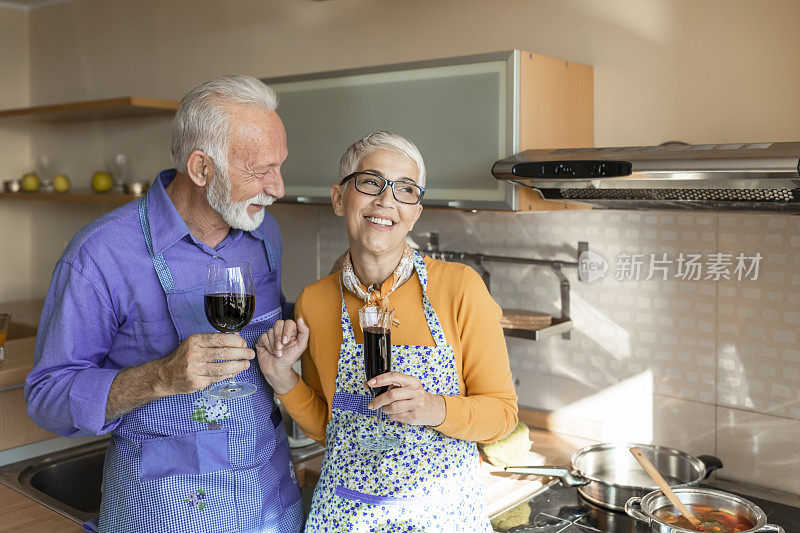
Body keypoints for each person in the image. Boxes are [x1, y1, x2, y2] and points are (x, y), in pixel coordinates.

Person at [25, 75, 303, 533]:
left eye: (280, 166)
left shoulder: (263, 233)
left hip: (269, 504)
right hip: (165, 511)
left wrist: (293, 328)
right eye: (260, 171)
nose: (278, 188)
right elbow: (47, 396)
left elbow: (272, 328)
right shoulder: (100, 254)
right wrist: (160, 376)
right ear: (201, 169)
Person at [258, 131, 518, 531]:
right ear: (338, 198)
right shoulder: (315, 301)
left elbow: (502, 414)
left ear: (416, 211)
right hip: (346, 518)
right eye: (370, 182)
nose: (386, 200)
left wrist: (434, 408)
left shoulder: (459, 288)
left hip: (442, 517)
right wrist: (282, 379)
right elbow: (334, 429)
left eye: (405, 189)